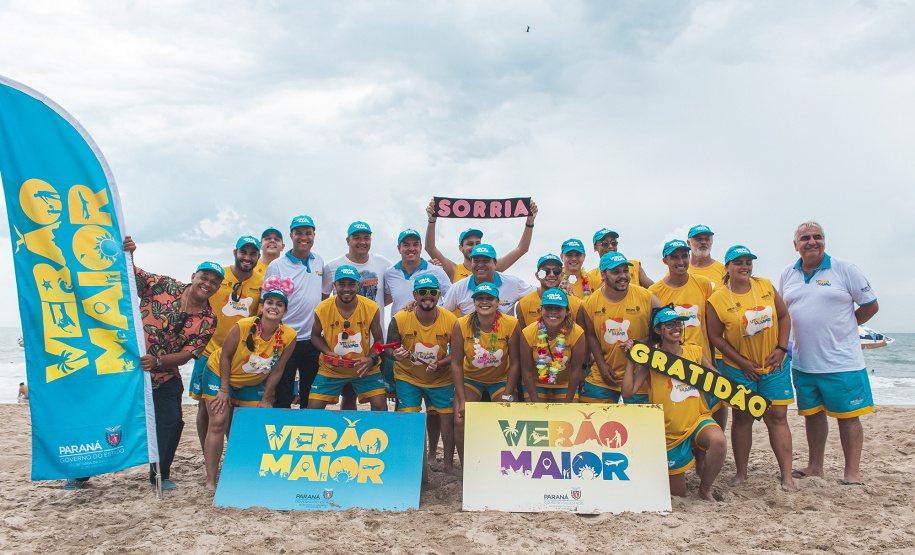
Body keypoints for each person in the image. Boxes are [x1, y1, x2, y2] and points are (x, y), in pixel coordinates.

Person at [68, 236, 219, 492]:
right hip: (129, 368)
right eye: (204, 277)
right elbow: (129, 275)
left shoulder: (208, 318)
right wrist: (129, 253)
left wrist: (158, 362)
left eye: (214, 282)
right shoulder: (163, 285)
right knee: (108, 417)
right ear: (194, 276)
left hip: (165, 374)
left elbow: (189, 353)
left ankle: (160, 474)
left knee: (172, 421)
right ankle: (81, 473)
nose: (207, 284)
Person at [779, 221, 878, 485]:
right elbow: (781, 313)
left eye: (817, 237)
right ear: (795, 244)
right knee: (812, 415)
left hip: (842, 362)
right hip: (803, 362)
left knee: (848, 418)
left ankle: (852, 473)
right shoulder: (788, 273)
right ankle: (815, 466)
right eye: (805, 238)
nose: (812, 242)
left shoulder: (845, 269)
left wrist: (847, 326)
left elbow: (870, 305)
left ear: (824, 240)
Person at [707, 245, 796, 491]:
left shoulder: (765, 285)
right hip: (739, 367)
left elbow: (784, 316)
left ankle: (787, 476)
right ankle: (741, 474)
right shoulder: (717, 298)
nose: (744, 266)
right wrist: (742, 362)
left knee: (777, 417)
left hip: (773, 363)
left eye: (748, 261)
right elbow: (716, 337)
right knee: (743, 417)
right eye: (738, 262)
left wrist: (781, 348)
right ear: (727, 268)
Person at [198, 280, 297, 489]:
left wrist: (266, 398)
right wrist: (224, 389)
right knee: (218, 420)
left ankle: (239, 471)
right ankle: (210, 480)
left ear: (285, 311)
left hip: (251, 381)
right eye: (269, 302)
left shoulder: (289, 336)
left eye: (279, 304)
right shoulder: (243, 326)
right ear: (262, 307)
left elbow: (278, 370)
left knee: (248, 426)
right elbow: (224, 356)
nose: (274, 307)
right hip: (219, 373)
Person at [622, 307, 726, 501]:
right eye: (669, 325)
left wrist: (743, 395)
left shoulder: (694, 351)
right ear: (659, 330)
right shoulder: (650, 359)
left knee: (719, 441)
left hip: (698, 419)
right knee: (679, 493)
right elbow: (628, 392)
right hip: (669, 431)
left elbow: (716, 379)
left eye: (679, 323)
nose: (676, 328)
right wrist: (630, 359)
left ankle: (705, 489)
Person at [189, 235, 263, 453]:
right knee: (205, 406)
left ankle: (232, 456)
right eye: (243, 252)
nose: (247, 257)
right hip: (208, 351)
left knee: (232, 407)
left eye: (252, 254)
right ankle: (207, 454)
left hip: (239, 356)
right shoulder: (217, 276)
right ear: (235, 253)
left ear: (258, 256)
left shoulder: (261, 282)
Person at [384, 275, 458, 475]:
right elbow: (388, 349)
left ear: (439, 295)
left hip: (441, 377)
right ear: (414, 295)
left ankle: (445, 464)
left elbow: (459, 353)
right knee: (408, 417)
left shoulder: (450, 320)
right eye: (422, 292)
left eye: (433, 292)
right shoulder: (399, 318)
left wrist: (441, 363)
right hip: (409, 376)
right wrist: (395, 354)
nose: (428, 296)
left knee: (445, 418)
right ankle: (410, 463)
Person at [648, 239, 725, 429]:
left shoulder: (703, 284)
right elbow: (653, 331)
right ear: (665, 260)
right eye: (674, 257)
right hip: (670, 363)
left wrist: (713, 358)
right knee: (681, 414)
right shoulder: (654, 292)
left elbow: (710, 323)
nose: (681, 261)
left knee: (712, 408)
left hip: (701, 359)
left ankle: (712, 451)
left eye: (684, 255)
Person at [323, 221, 393, 406]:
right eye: (357, 238)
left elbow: (389, 295)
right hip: (342, 343)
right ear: (348, 240)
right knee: (348, 395)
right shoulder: (332, 266)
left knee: (378, 395)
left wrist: (369, 310)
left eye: (366, 238)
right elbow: (324, 301)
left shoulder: (383, 263)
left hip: (374, 342)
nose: (362, 242)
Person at [451, 283, 522, 466]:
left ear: (498, 301)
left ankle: (503, 464)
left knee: (508, 417)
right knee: (460, 419)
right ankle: (467, 467)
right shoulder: (461, 324)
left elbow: (515, 363)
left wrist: (507, 394)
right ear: (473, 302)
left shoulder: (511, 323)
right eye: (480, 298)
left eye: (489, 298)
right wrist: (462, 399)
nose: (484, 302)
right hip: (471, 379)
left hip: (500, 379)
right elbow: (457, 364)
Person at [579, 252, 662, 404]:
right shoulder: (589, 304)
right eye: (616, 272)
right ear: (603, 274)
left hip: (640, 374)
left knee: (641, 425)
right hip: (604, 373)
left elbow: (662, 331)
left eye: (625, 271)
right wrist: (602, 366)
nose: (623, 276)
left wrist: (640, 343)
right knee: (589, 417)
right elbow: (591, 336)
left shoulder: (648, 298)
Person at [264, 215, 325, 409]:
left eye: (308, 233)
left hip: (313, 340)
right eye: (298, 233)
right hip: (285, 339)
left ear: (314, 235)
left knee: (310, 396)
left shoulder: (319, 261)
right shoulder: (277, 266)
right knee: (283, 395)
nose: (303, 237)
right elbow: (268, 304)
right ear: (291, 235)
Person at [308, 265, 388, 411]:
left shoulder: (371, 307)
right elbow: (315, 335)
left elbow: (379, 340)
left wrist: (371, 359)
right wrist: (327, 352)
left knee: (380, 406)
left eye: (351, 284)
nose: (346, 289)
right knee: (313, 408)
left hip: (363, 367)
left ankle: (373, 433)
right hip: (331, 368)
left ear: (358, 285)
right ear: (334, 285)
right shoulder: (322, 308)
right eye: (341, 284)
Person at [424, 200, 539, 283]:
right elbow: (430, 248)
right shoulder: (453, 270)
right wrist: (431, 221)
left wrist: (530, 221)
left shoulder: (492, 267)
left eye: (477, 243)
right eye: (469, 244)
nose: (474, 247)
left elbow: (521, 249)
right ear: (460, 248)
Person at [519, 288, 587, 402]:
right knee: (535, 416)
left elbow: (576, 370)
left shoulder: (577, 333)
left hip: (565, 384)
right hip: (536, 383)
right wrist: (535, 403)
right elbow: (526, 371)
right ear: (541, 310)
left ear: (566, 312)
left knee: (567, 415)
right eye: (548, 308)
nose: (553, 312)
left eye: (558, 308)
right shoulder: (527, 333)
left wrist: (568, 403)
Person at [440, 244, 535, 316]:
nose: (480, 265)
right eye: (476, 261)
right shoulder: (458, 288)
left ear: (495, 263)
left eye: (486, 261)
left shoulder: (513, 283)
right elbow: (443, 314)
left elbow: (539, 294)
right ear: (471, 263)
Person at [384, 229, 451, 315]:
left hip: (430, 327)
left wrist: (437, 312)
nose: (411, 249)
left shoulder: (436, 270)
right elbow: (386, 299)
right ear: (399, 248)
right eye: (406, 245)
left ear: (420, 247)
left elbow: (452, 298)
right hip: (399, 327)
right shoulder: (389, 273)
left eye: (415, 245)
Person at [516, 254, 583, 328]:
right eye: (546, 271)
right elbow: (521, 338)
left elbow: (583, 336)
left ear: (562, 275)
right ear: (537, 275)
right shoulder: (523, 305)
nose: (551, 274)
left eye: (556, 271)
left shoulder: (577, 304)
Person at [588, 228, 654, 288]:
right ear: (595, 247)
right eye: (605, 243)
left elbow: (655, 290)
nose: (610, 246)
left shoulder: (633, 266)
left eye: (613, 243)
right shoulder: (591, 276)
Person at [687, 225, 726, 290]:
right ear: (689, 243)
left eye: (707, 239)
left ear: (711, 242)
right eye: (698, 239)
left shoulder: (724, 271)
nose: (703, 242)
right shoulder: (679, 271)